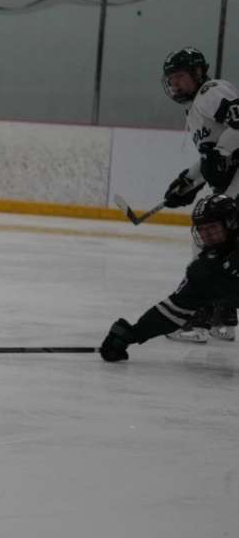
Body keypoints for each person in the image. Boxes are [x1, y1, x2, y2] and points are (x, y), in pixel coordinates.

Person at [158, 47, 239, 341]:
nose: (175, 84)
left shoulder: (210, 92)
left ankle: (194, 319)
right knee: (225, 246)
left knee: (206, 243)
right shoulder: (195, 110)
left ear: (198, 73)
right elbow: (213, 158)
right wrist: (188, 180)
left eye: (180, 77)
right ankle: (224, 317)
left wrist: (222, 152)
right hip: (232, 185)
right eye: (171, 79)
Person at [101, 194, 239, 361]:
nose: (206, 235)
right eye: (202, 229)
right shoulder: (205, 270)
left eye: (212, 227)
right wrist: (133, 333)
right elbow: (175, 308)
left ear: (231, 223)